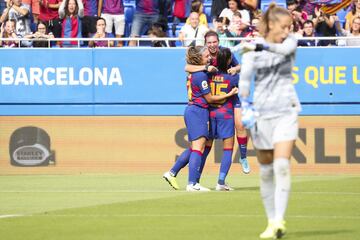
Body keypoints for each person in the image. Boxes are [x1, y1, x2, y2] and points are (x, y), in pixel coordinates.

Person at [236, 3, 301, 239]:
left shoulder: (290, 42)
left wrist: (256, 45)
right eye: (284, 26)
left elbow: (283, 51)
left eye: (289, 27)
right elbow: (244, 81)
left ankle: (279, 221)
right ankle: (271, 221)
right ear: (271, 24)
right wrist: (245, 107)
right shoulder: (253, 50)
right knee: (265, 170)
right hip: (261, 114)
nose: (287, 31)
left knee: (281, 165)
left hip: (286, 111)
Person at [164, 46, 238, 191]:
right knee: (198, 148)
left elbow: (189, 68)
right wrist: (229, 95)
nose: (209, 57)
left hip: (196, 111)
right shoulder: (201, 75)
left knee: (195, 148)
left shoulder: (196, 72)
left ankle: (172, 172)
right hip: (198, 111)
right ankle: (192, 183)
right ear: (199, 59)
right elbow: (209, 98)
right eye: (206, 56)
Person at [186, 30, 251, 174]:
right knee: (206, 139)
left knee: (240, 124)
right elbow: (187, 68)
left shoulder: (225, 53)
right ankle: (195, 177)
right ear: (205, 43)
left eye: (214, 42)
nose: (212, 45)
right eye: (209, 42)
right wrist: (205, 67)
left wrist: (235, 68)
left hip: (229, 93)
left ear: (218, 42)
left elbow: (240, 66)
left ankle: (244, 157)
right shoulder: (203, 56)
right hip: (213, 97)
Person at [209, 47, 240, 191]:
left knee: (204, 148)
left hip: (210, 113)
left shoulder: (208, 75)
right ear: (228, 60)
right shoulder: (233, 77)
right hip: (226, 114)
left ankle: (194, 181)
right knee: (228, 149)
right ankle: (221, 182)